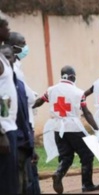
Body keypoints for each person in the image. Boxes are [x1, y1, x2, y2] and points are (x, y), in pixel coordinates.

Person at [32, 65, 99, 194]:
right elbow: (86, 113)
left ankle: (58, 173)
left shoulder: (51, 90)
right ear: (72, 76)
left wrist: (30, 106)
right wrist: (97, 129)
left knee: (66, 156)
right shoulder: (78, 92)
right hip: (73, 127)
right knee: (87, 155)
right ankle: (87, 184)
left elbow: (40, 101)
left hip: (57, 128)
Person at [6, 31, 41, 194]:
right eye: (23, 43)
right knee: (22, 177)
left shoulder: (16, 71)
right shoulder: (13, 72)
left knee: (27, 174)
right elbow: (25, 101)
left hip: (23, 128)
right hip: (15, 130)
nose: (26, 47)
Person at [0, 44, 35, 194]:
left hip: (21, 137)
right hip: (10, 135)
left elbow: (22, 112)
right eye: (6, 57)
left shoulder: (17, 83)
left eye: (10, 57)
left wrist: (30, 142)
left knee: (23, 181)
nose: (9, 60)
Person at [0, 11, 19, 194]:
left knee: (11, 180)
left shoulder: (3, 59)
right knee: (6, 183)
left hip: (9, 125)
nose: (9, 29)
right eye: (6, 26)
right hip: (3, 130)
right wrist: (1, 133)